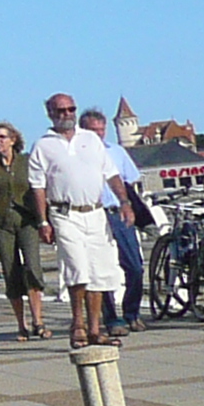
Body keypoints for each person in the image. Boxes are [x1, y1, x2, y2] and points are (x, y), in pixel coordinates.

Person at [28, 92, 123, 347]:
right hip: (64, 213)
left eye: (70, 109)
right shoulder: (43, 145)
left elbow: (111, 174)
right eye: (60, 111)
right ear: (50, 114)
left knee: (98, 273)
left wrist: (125, 202)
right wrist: (43, 221)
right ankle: (77, 324)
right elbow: (38, 187)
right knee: (77, 269)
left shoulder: (91, 139)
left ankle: (95, 328)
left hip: (95, 212)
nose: (66, 115)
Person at [0, 121, 48, 339]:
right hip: (1, 224)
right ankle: (21, 324)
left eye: (2, 137)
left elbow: (38, 188)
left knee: (33, 268)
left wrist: (44, 220)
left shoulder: (26, 161)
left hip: (27, 221)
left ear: (13, 140)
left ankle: (38, 320)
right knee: (11, 271)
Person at [84, 109, 149, 332]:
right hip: (93, 214)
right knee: (100, 268)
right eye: (93, 130)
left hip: (117, 213)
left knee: (135, 266)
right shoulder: (78, 155)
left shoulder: (117, 151)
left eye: (102, 130)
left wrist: (128, 206)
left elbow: (130, 181)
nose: (99, 134)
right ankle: (111, 318)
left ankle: (132, 312)